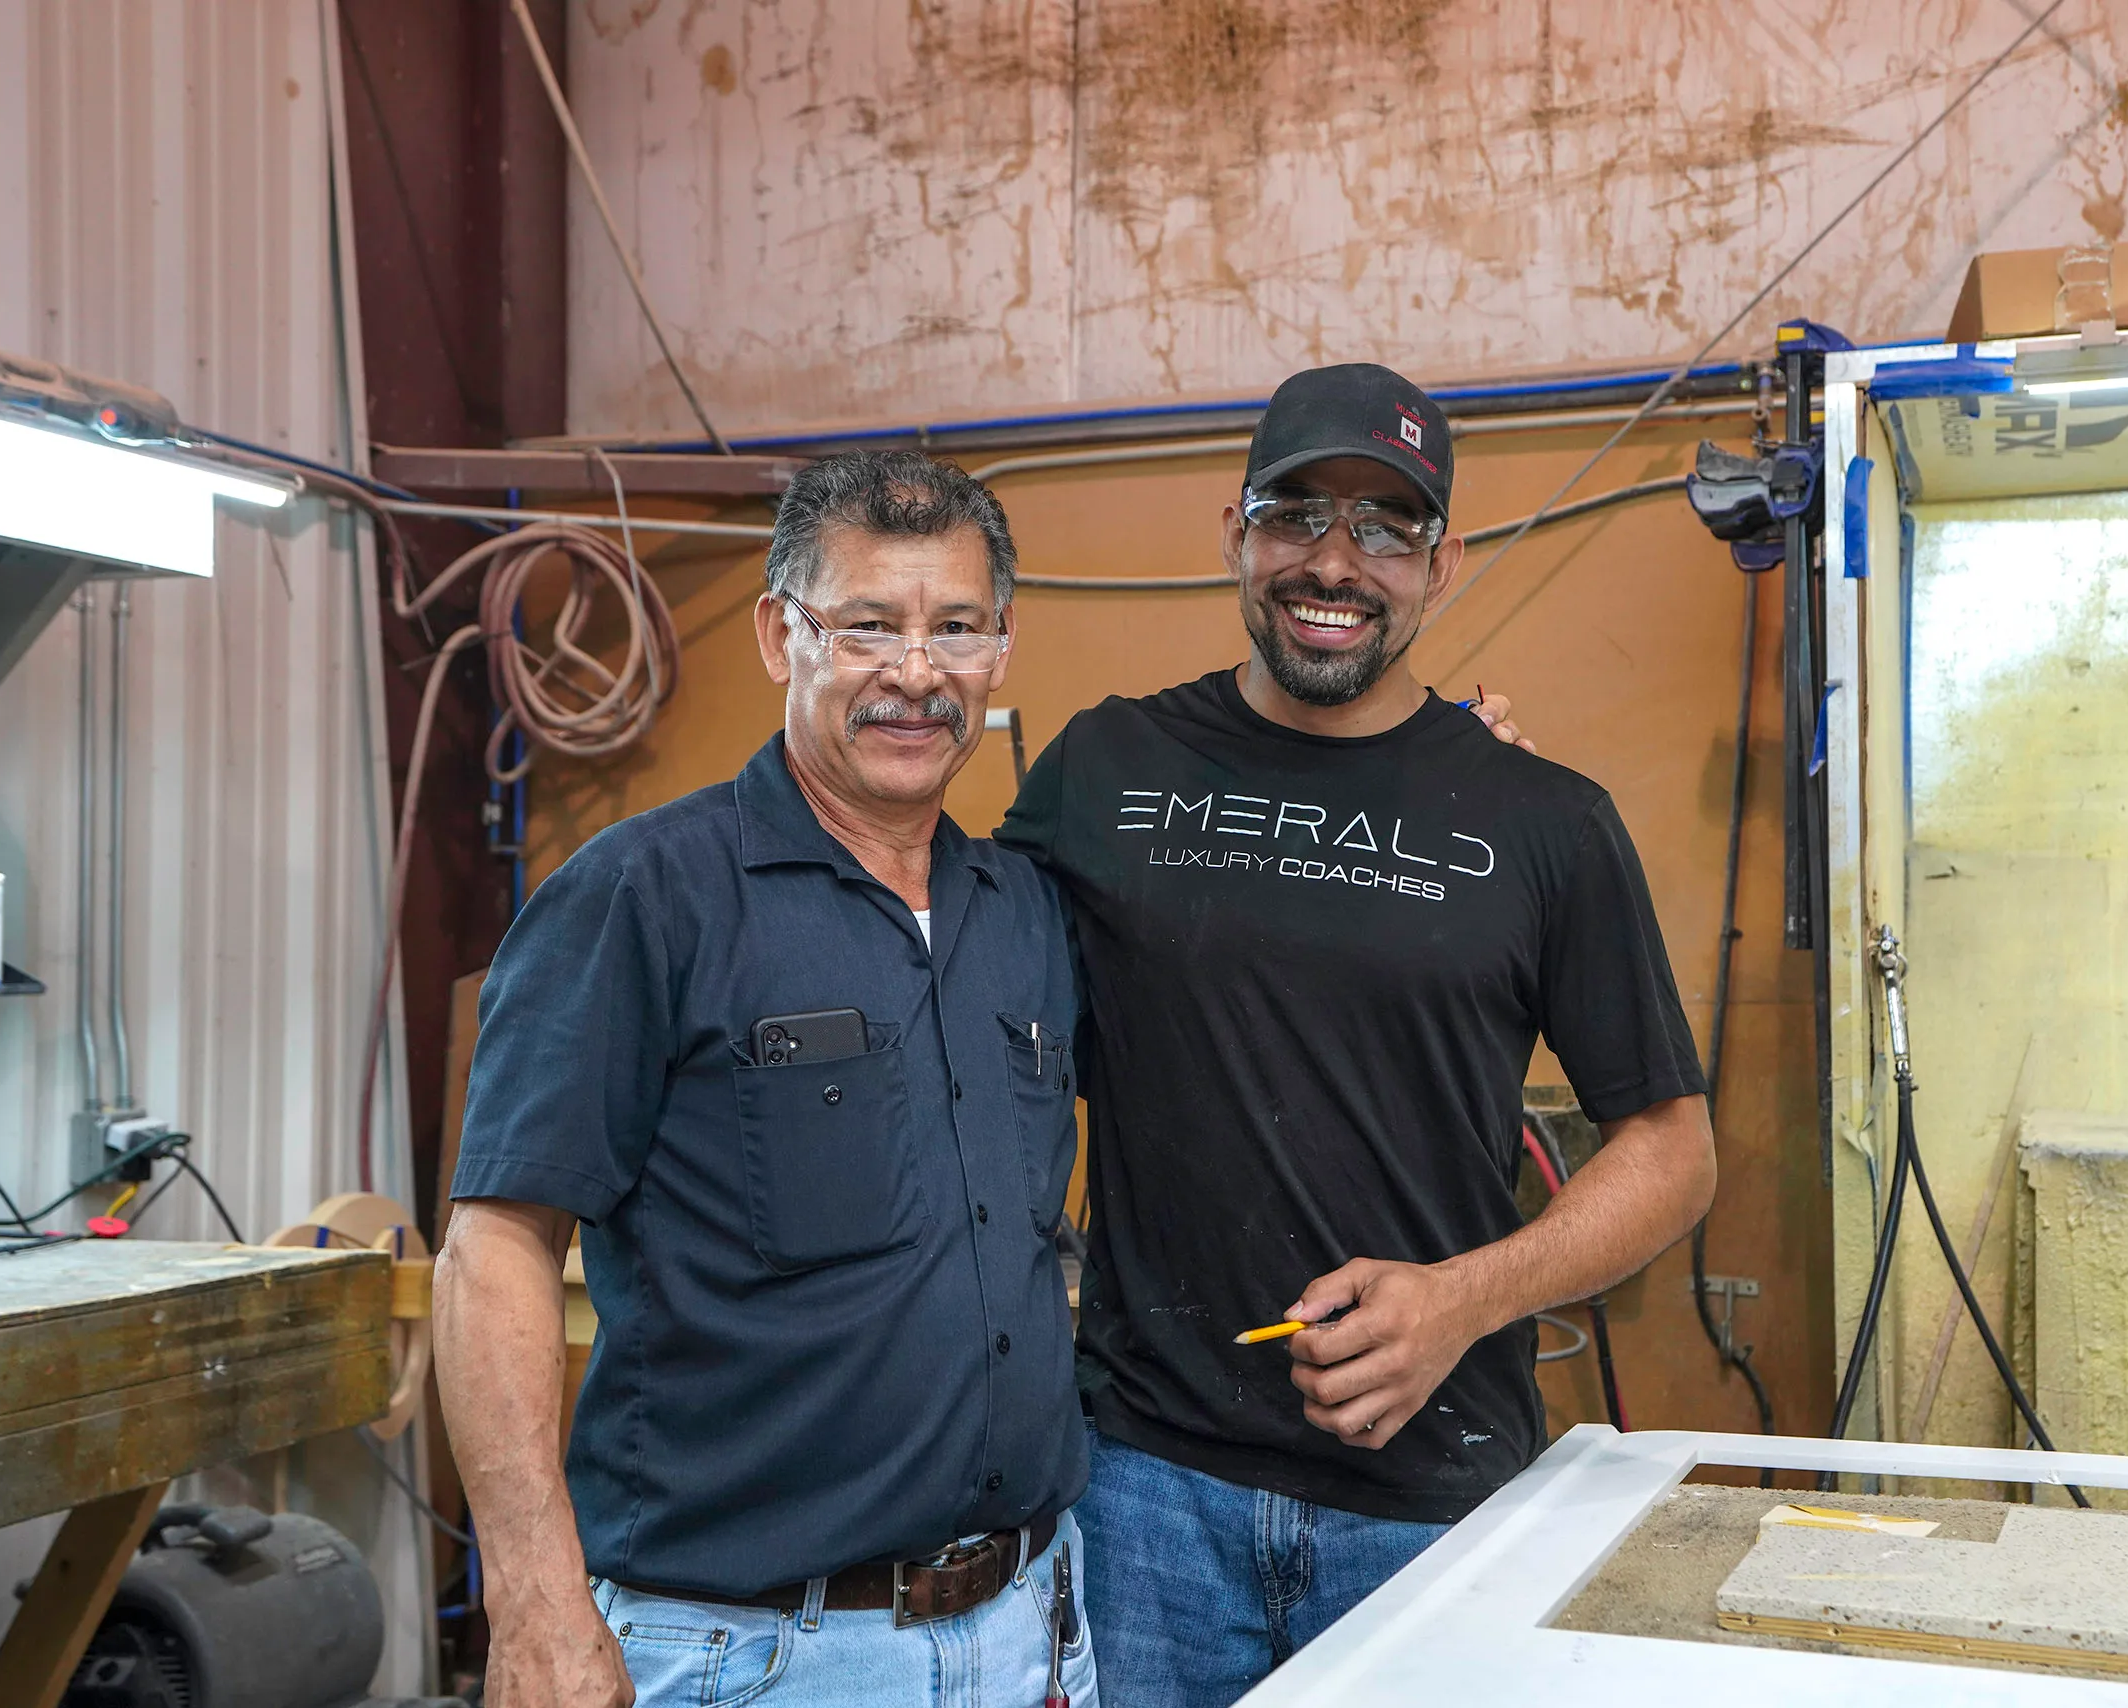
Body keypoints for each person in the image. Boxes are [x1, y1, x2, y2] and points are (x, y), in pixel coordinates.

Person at [993, 363, 1718, 1707]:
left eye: (1386, 527)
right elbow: (962, 1007)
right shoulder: (1104, 770)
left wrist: (1466, 1299)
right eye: (1297, 514)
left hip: (1432, 1503)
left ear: (1443, 565)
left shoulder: (1543, 821)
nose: (1335, 562)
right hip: (1148, 1493)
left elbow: (1675, 1152)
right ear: (1235, 533)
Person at [435, 452, 1097, 1708]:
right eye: (866, 627)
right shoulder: (643, 898)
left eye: (955, 626)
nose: (916, 671)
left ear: (1002, 647)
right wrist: (533, 1602)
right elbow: (495, 1250)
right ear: (776, 634)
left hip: (1031, 1627)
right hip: (755, 1656)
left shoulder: (1023, 916)